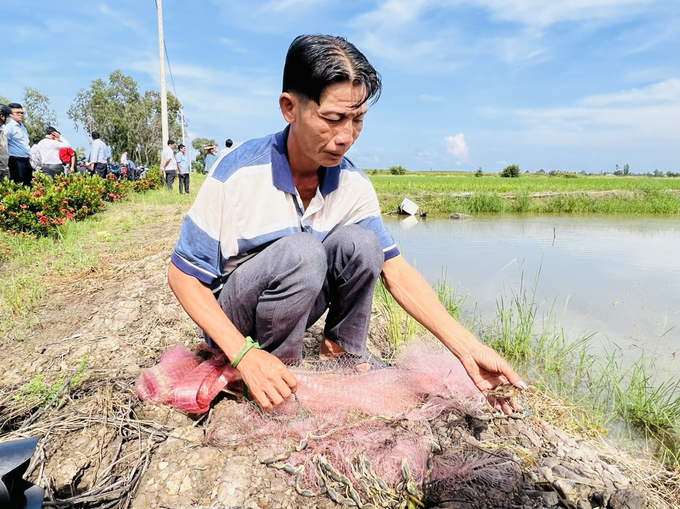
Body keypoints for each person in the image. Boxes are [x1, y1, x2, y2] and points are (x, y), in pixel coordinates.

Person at [168, 34, 526, 413]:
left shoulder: (353, 183)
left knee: (363, 243)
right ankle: (272, 371)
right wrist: (243, 353)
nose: (345, 137)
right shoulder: (237, 175)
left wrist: (468, 348)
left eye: (358, 120)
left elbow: (396, 272)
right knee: (303, 251)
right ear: (290, 108)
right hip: (234, 320)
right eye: (333, 119)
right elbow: (184, 276)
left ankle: (340, 354)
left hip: (293, 302)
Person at [5, 103, 32, 185]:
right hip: (15, 160)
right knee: (16, 183)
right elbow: (4, 143)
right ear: (10, 114)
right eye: (18, 113)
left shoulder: (22, 126)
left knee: (27, 184)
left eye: (22, 113)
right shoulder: (8, 126)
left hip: (26, 159)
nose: (21, 115)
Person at [0, 104, 11, 182]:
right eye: (7, 116)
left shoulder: (2, 131)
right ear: (2, 116)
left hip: (4, 168)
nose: (8, 119)